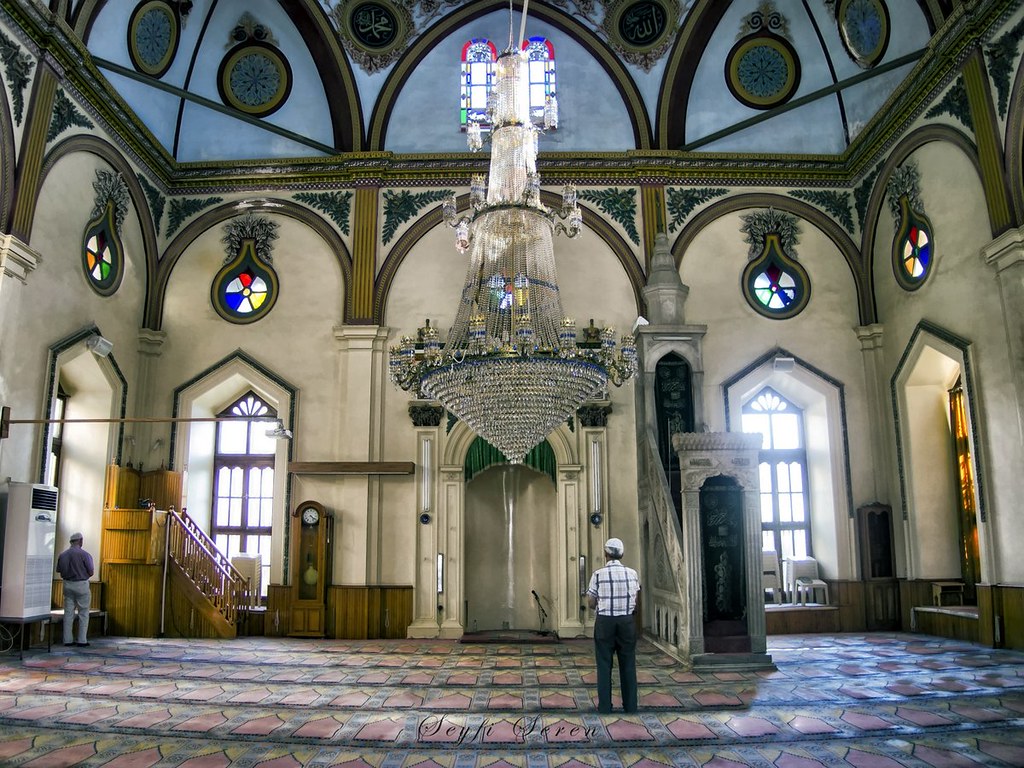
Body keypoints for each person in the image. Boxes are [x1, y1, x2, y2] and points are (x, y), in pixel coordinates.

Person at [586, 537, 641, 713]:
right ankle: (630, 706)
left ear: (605, 554)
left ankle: (604, 707)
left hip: (605, 623)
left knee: (604, 665)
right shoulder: (632, 574)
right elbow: (636, 600)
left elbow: (591, 602)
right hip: (626, 622)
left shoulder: (598, 575)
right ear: (622, 554)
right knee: (628, 665)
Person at [56, 532, 94, 647]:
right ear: (80, 541)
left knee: (68, 613)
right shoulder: (85, 554)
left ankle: (67, 640)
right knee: (83, 613)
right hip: (81, 584)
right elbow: (91, 572)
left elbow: (59, 570)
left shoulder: (63, 555)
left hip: (67, 584)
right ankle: (82, 640)